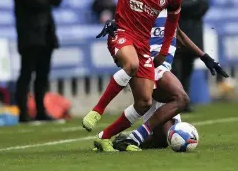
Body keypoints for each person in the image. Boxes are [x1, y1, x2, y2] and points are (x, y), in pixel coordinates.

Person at [51, 0, 184, 152]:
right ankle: (97, 111)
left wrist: (165, 51)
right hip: (121, 32)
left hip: (143, 44)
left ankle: (104, 137)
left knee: (145, 102)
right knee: (131, 64)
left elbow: (172, 24)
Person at [95, 19, 228, 151]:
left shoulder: (171, 6)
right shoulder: (149, 4)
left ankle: (120, 141)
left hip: (162, 67)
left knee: (162, 139)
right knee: (181, 98)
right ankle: (134, 137)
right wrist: (116, 21)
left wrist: (205, 57)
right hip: (148, 65)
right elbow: (129, 13)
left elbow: (178, 33)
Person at [10, 0, 64, 122]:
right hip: (29, 34)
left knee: (43, 74)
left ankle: (41, 110)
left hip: (47, 32)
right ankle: (23, 113)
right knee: (27, 73)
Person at [171, 0, 210, 112]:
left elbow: (204, 5)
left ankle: (185, 102)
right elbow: (175, 5)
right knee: (175, 70)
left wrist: (186, 7)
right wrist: (191, 7)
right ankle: (175, 101)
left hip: (193, 35)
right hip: (175, 36)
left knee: (188, 69)